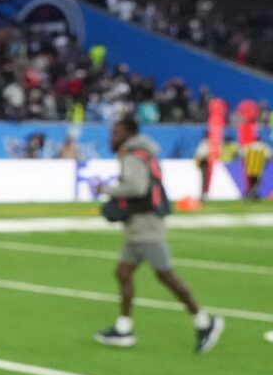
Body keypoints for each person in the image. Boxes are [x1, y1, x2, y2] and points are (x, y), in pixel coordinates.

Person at [94, 116, 222, 353]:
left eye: (116, 132)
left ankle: (205, 322)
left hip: (145, 227)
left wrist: (107, 189)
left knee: (166, 276)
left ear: (128, 134)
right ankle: (124, 328)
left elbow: (137, 188)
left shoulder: (132, 155)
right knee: (123, 272)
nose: (112, 137)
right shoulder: (143, 153)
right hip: (139, 225)